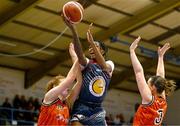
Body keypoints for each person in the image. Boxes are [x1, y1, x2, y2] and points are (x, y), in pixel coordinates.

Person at [63, 16, 114, 125]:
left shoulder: (109, 64)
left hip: (97, 109)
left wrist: (91, 41)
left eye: (95, 46)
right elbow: (79, 55)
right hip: (82, 106)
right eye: (90, 47)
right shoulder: (87, 63)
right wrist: (73, 30)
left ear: (103, 51)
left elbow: (104, 66)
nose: (91, 48)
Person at [129, 36, 176, 126]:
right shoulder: (163, 100)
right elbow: (161, 76)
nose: (146, 85)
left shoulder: (148, 99)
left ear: (153, 87)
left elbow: (139, 72)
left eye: (148, 84)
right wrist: (161, 56)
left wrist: (132, 52)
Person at [37, 43, 82, 125]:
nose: (67, 86)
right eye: (63, 84)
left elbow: (79, 82)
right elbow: (70, 79)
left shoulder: (67, 103)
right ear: (55, 86)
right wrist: (78, 56)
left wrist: (75, 57)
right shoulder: (49, 98)